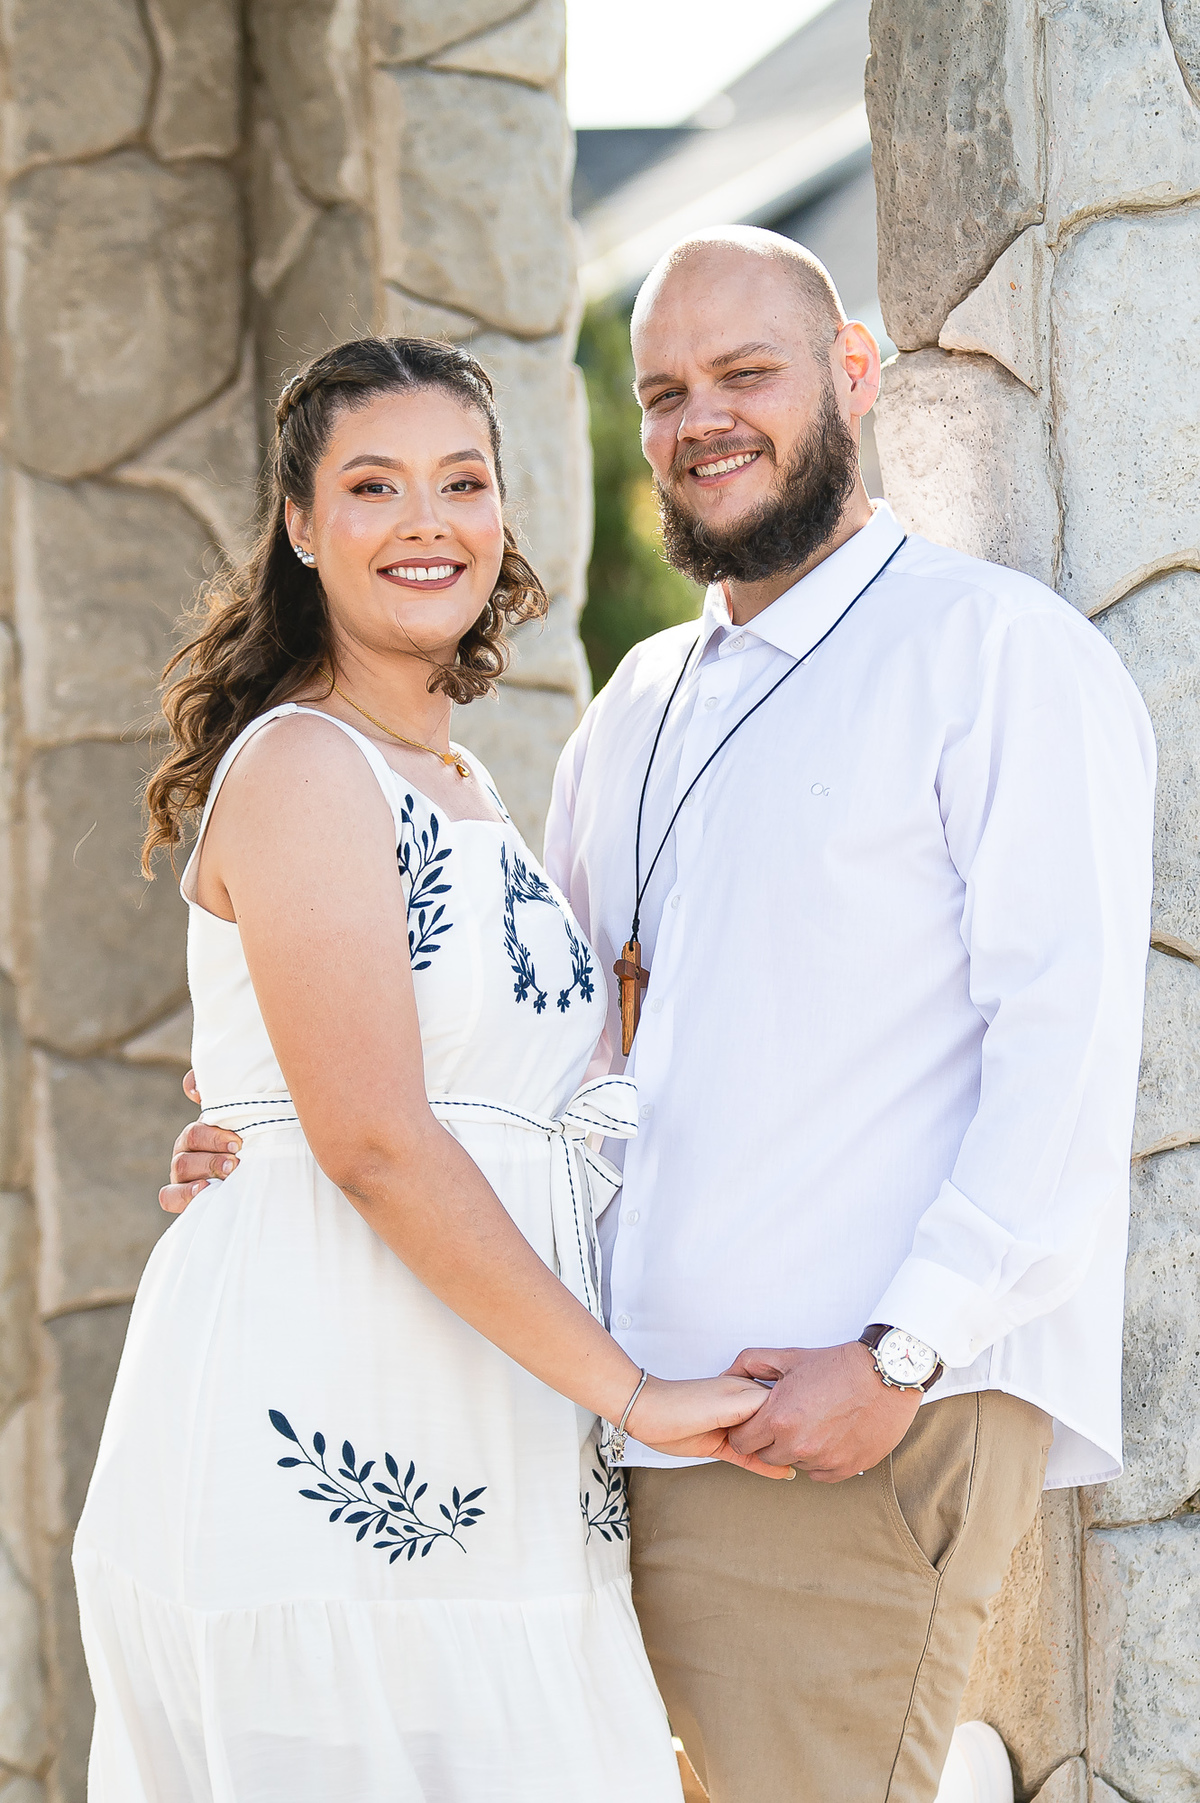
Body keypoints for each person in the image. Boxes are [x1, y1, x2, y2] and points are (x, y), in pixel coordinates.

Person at [164, 232, 1156, 1803]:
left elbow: (1071, 1052)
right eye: (666, 392)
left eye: (746, 373)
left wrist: (902, 1352)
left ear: (852, 373)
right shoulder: (636, 707)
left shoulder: (992, 654)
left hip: (830, 1424)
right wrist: (271, 1136)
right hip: (590, 1442)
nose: (704, 420)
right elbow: (536, 1057)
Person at [73, 335, 786, 1803]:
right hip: (333, 1416)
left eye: (463, 483)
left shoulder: (461, 781)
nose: (427, 522)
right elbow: (376, 1142)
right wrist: (635, 1396)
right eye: (373, 485)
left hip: (498, 1413)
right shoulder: (304, 767)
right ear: (299, 523)